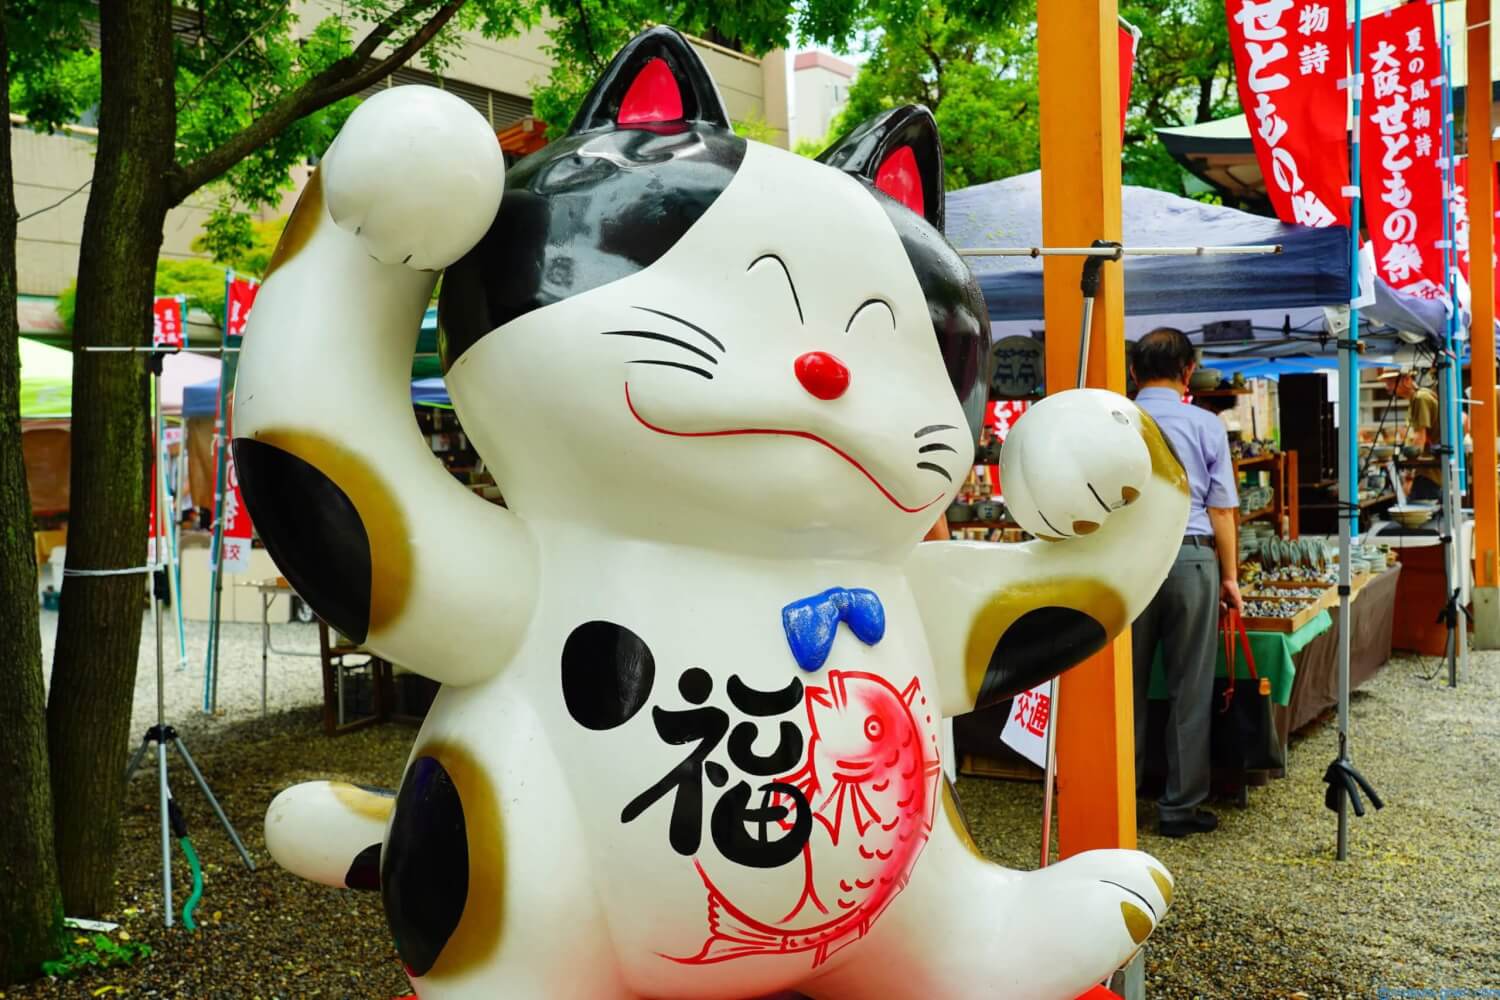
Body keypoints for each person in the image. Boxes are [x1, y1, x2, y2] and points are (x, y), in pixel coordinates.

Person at [1129, 328, 1242, 838]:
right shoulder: (1206, 425)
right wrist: (1232, 577)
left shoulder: (1115, 420)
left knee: (1121, 690)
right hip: (1192, 558)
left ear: (1134, 371)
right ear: (1188, 372)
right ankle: (1179, 808)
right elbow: (1221, 511)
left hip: (1124, 563)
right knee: (1188, 689)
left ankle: (1118, 801)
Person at [1382, 370, 1442, 502]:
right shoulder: (1417, 398)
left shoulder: (1421, 398)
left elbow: (1421, 438)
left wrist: (1409, 475)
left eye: (1391, 382)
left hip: (1430, 473)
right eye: (1386, 383)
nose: (1388, 387)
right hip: (1427, 471)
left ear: (1408, 380)